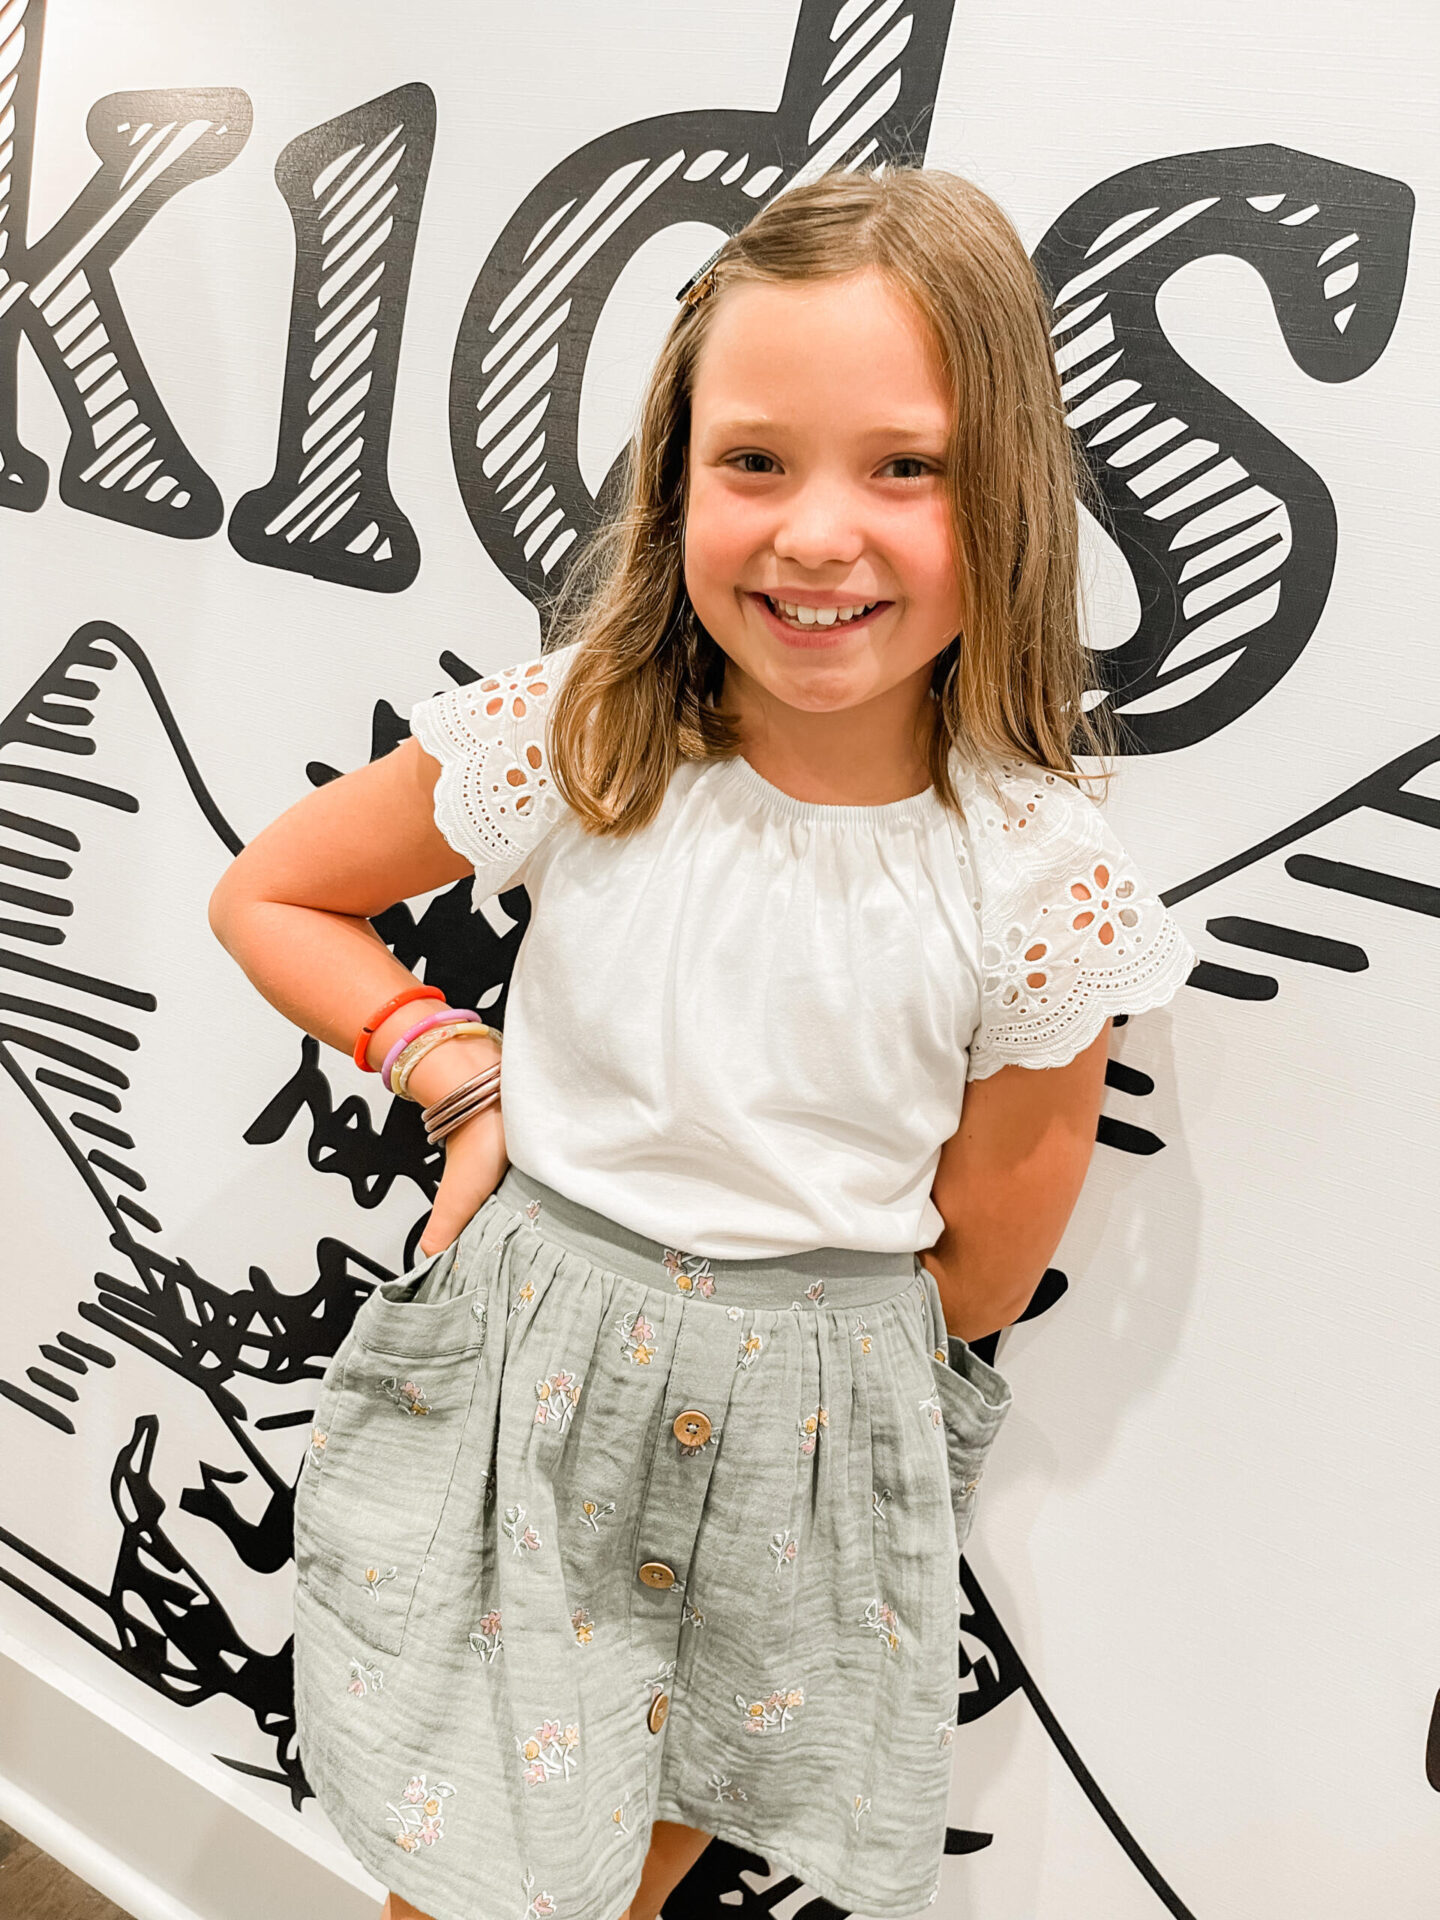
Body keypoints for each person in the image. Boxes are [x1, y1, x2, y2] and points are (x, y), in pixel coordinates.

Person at [208, 168, 1197, 1920]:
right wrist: (457, 1069)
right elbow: (276, 895)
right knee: (472, 1857)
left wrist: (781, 1368)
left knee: (661, 1832)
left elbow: (977, 1265)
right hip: (528, 1373)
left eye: (909, 466)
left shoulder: (1042, 878)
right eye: (755, 461)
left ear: (1013, 495)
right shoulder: (583, 732)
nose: (821, 534)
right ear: (678, 480)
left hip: (810, 1426)